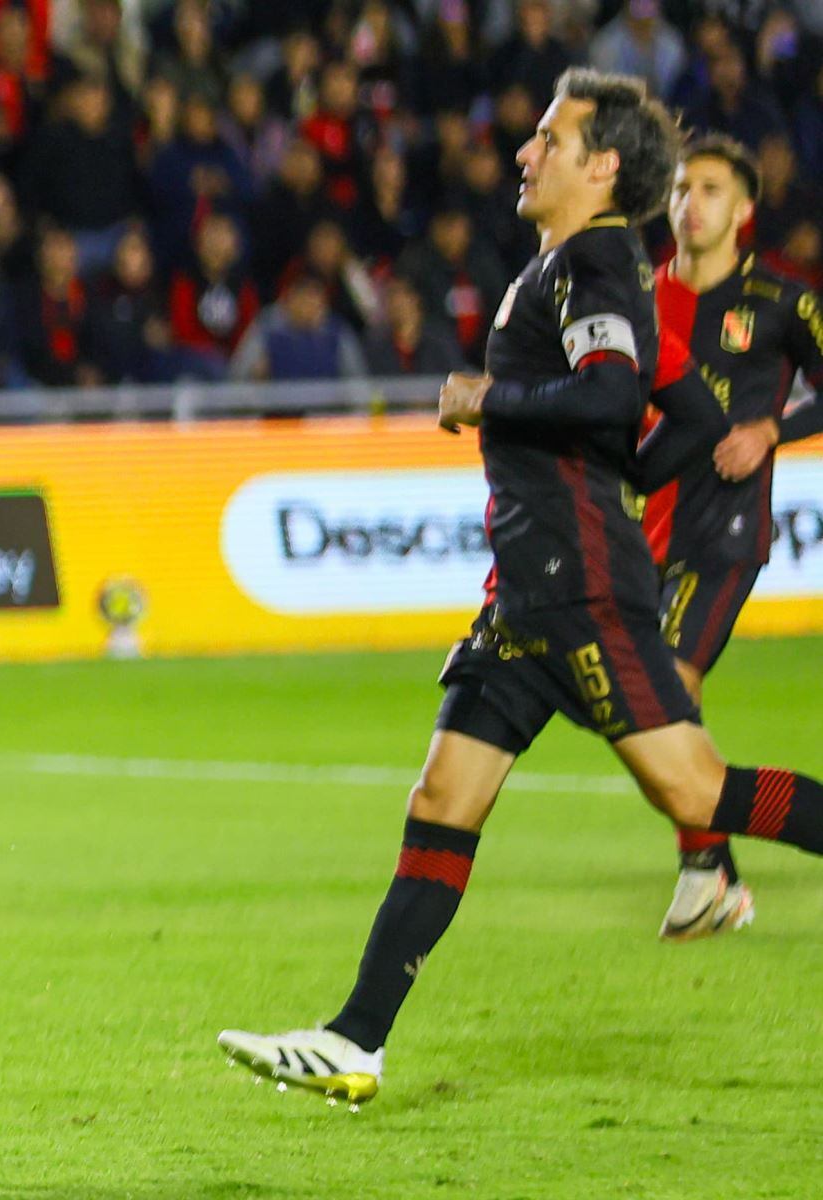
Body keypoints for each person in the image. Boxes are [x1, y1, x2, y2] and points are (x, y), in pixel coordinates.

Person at [217, 70, 823, 1105]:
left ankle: (359, 1034)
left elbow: (613, 392)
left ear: (604, 166)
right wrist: (622, 474)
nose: (523, 153)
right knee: (443, 799)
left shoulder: (592, 258)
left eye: (549, 137)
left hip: (581, 589)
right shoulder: (580, 267)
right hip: (528, 591)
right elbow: (685, 411)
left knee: (693, 791)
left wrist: (492, 397)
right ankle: (357, 1039)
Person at [642, 133, 823, 939]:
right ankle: (712, 868)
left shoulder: (781, 300)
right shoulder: (641, 299)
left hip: (726, 526)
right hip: (642, 528)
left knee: (670, 686)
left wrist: (770, 431)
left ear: (743, 209)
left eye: (711, 188)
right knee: (651, 711)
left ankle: (704, 874)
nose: (692, 202)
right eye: (682, 187)